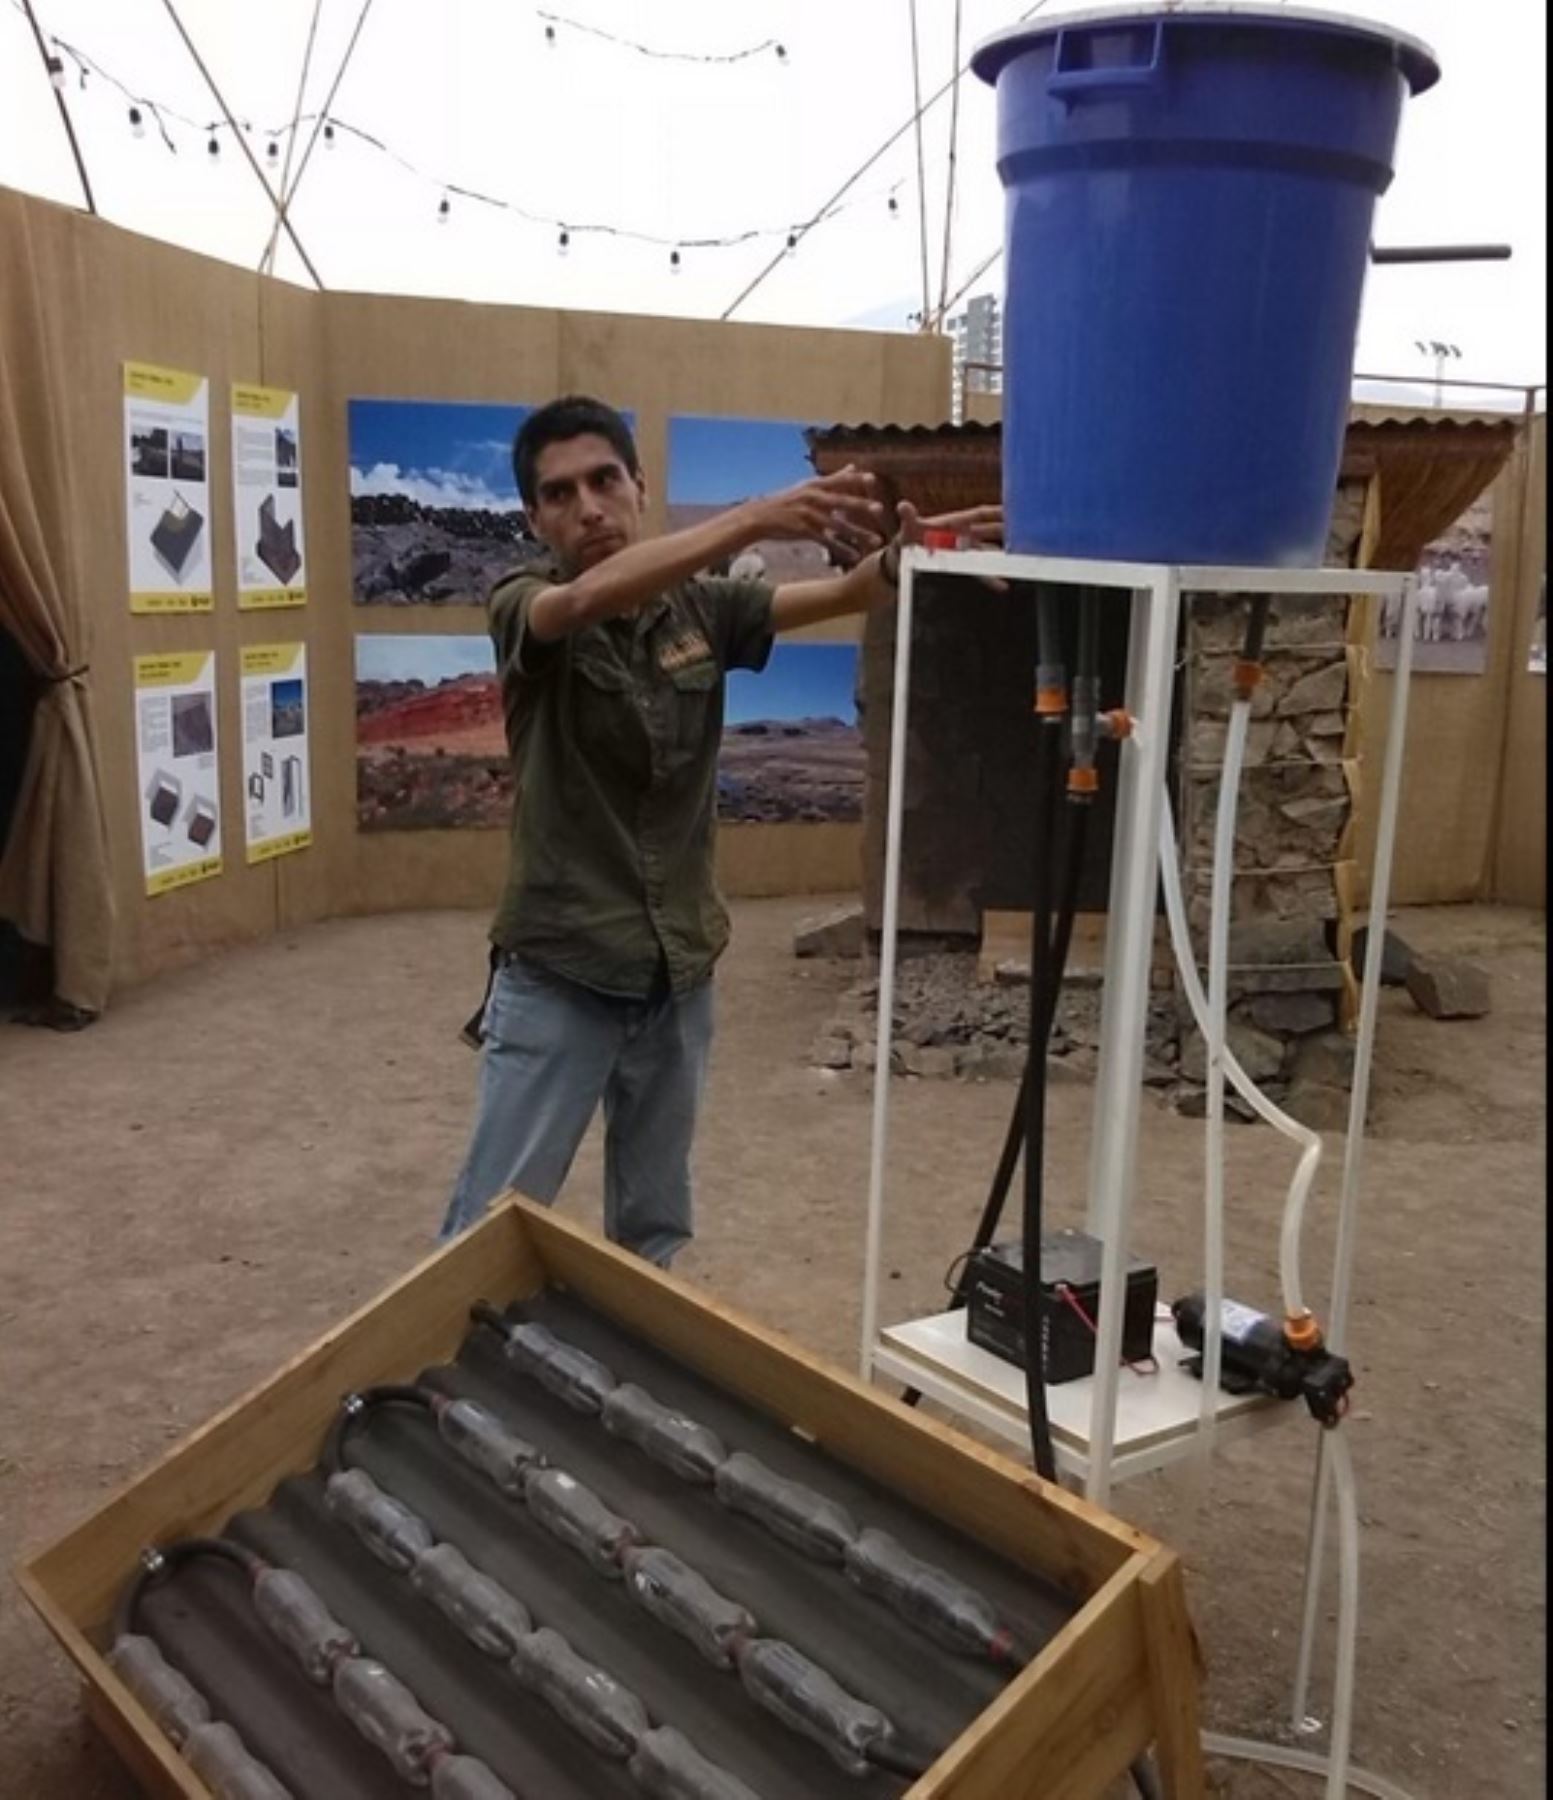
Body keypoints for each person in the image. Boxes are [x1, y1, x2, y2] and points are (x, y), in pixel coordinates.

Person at [440, 394, 1000, 1263]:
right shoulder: (523, 604)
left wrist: (902, 562)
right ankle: (440, 1392)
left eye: (603, 480)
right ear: (535, 518)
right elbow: (583, 599)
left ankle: (631, 1387)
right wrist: (751, 518)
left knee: (654, 1233)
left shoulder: (702, 611)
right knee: (485, 1233)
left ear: (637, 484)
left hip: (678, 974)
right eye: (559, 494)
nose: (587, 507)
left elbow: (840, 593)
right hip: (562, 972)